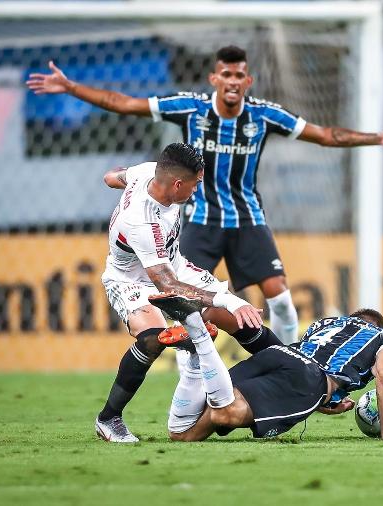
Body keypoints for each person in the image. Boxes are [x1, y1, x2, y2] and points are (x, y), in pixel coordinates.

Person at [27, 46, 383, 345]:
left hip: (248, 217)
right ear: (215, 78)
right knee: (184, 302)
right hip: (200, 220)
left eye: (240, 76)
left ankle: (291, 366)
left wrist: (378, 138)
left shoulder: (264, 115)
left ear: (248, 83)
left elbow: (324, 135)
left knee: (279, 296)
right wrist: (70, 87)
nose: (233, 81)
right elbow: (124, 104)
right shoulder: (190, 108)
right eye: (226, 74)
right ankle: (193, 378)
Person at [96, 142, 282, 443]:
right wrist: (228, 298)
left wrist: (229, 305)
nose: (196, 192)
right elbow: (166, 287)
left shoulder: (147, 173)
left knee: (237, 318)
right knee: (151, 339)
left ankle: (296, 370)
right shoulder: (141, 221)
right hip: (131, 281)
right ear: (177, 183)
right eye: (194, 185)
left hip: (174, 268)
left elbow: (111, 177)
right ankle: (109, 419)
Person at [150, 302, 383, 441]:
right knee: (225, 414)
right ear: (378, 326)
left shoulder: (327, 323)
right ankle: (200, 339)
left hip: (278, 354)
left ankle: (196, 356)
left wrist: (322, 403)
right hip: (311, 378)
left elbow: (297, 364)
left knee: (182, 433)